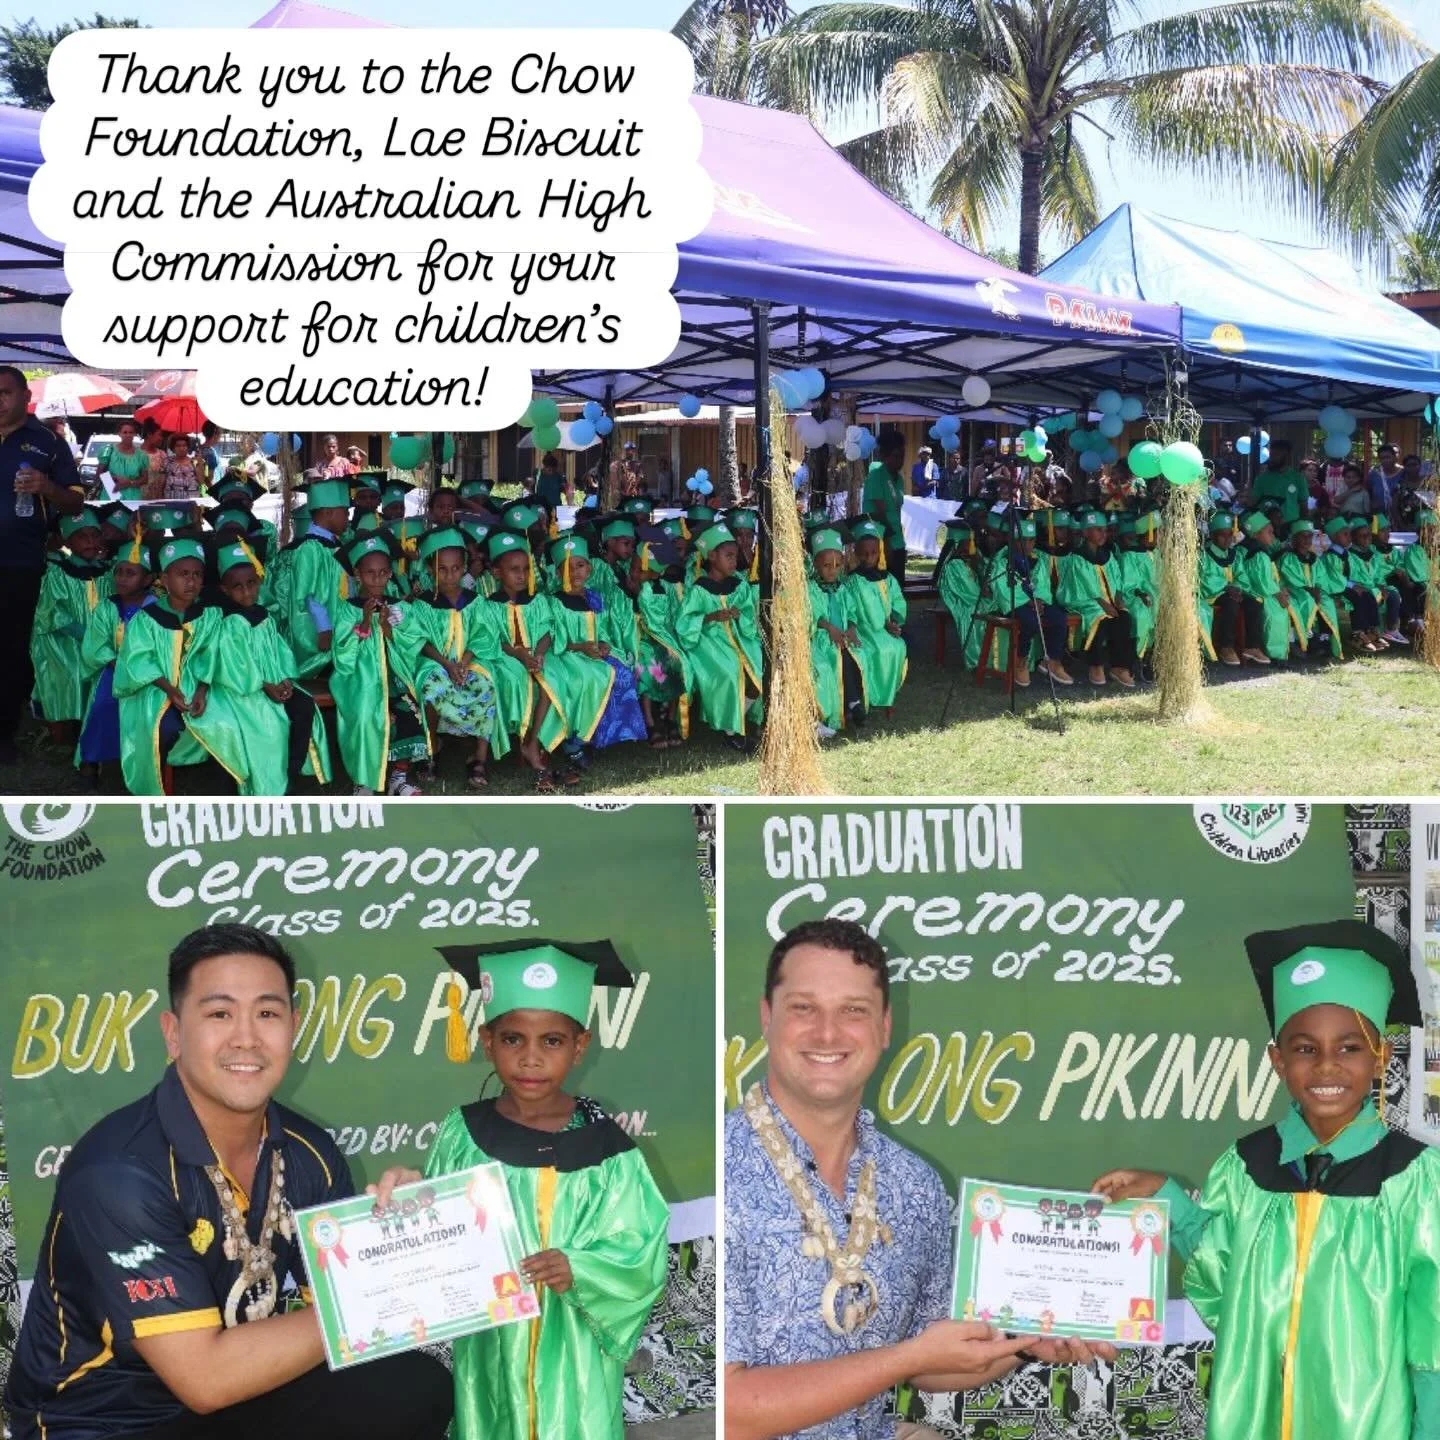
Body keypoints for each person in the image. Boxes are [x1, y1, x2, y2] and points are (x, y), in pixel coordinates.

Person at [4, 923, 454, 1440]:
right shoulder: (120, 1173)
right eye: (219, 1014)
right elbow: (206, 1380)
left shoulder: (313, 1154)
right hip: (105, 1421)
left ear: (294, 1026)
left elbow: (335, 1294)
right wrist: (374, 1298)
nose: (246, 1037)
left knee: (408, 1385)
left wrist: (396, 1236)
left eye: (267, 1013)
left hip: (230, 1404)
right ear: (173, 1034)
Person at [726, 919, 1112, 1440]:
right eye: (803, 1008)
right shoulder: (724, 1174)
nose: (826, 1032)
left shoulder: (915, 1185)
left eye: (853, 1011)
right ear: (766, 1016)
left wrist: (1021, 1337)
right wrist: (903, 1358)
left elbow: (933, 1360)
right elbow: (729, 1411)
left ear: (885, 1026)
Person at [1091, 919, 1440, 1440]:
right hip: (1251, 1418)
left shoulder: (1414, 1179)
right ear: (1278, 1060)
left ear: (1380, 1057)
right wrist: (1162, 1198)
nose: (1326, 1067)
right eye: (1304, 1049)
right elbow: (1219, 1279)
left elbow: (1432, 1337)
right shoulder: (1247, 1165)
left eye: (1349, 1047)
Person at [369, 940, 668, 1440]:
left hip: (573, 1342)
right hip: (493, 1341)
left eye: (551, 1041)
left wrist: (581, 1267)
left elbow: (641, 1248)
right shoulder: (462, 1133)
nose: (531, 1059)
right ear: (487, 1041)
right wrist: (410, 1198)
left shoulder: (607, 1148)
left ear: (579, 1046)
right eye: (513, 1039)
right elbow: (439, 1224)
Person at [0, 366, 84, 763]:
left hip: (18, 561)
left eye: (5, 393)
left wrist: (46, 488)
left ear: (24, 398)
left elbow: (76, 501)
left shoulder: (48, 443)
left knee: (11, 647)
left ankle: (4, 734)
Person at [204, 543, 331, 795]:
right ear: (224, 589)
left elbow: (280, 653)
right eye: (237, 587)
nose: (246, 591)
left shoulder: (263, 615)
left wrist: (284, 679)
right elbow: (234, 667)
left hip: (273, 683)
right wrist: (266, 686)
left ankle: (290, 772)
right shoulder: (228, 622)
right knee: (270, 722)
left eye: (251, 583)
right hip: (243, 690)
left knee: (304, 705)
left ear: (259, 582)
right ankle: (265, 781)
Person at [472, 529, 579, 792]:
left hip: (536, 655)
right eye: (514, 570)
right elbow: (494, 641)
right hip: (505, 658)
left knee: (549, 680)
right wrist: (519, 654)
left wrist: (539, 653)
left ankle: (534, 744)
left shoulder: (539, 600)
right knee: (517, 679)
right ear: (497, 573)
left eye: (526, 569)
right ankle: (504, 751)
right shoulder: (487, 605)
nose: (522, 575)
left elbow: (547, 633)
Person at [114, 538, 220, 796]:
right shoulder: (146, 620)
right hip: (155, 689)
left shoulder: (211, 615)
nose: (191, 582)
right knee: (163, 729)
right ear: (164, 578)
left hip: (201, 687)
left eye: (197, 575)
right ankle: (156, 786)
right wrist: (171, 690)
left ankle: (225, 787)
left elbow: (213, 656)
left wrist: (202, 690)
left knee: (227, 721)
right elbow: (139, 662)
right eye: (183, 574)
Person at [329, 536, 429, 797]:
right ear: (357, 575)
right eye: (370, 573)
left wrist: (386, 627)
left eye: (384, 572)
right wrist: (364, 622)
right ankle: (364, 781)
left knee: (409, 713)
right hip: (360, 681)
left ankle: (398, 777)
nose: (377, 579)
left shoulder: (398, 607)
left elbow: (413, 642)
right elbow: (343, 656)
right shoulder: (347, 609)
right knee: (365, 717)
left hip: (395, 679)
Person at [411, 527, 498, 790]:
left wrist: (465, 662)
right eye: (442, 569)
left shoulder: (475, 601)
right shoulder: (422, 604)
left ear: (464, 568)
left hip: (469, 660)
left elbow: (484, 636)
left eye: (456, 568)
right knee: (431, 686)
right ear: (430, 570)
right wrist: (447, 664)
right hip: (436, 662)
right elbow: (420, 641)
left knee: (486, 684)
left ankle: (479, 758)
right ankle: (431, 750)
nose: (449, 575)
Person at [546, 531, 648, 754]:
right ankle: (578, 740)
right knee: (591, 680)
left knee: (622, 672)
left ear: (590, 568)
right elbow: (556, 640)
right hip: (570, 655)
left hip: (595, 652)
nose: (575, 572)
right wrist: (582, 647)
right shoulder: (554, 601)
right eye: (568, 567)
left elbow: (602, 630)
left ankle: (609, 735)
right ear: (557, 571)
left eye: (580, 565)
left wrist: (604, 644)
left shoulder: (595, 598)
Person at [75, 533, 154, 787]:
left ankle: (138, 763)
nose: (121, 578)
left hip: (149, 676)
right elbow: (96, 645)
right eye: (119, 572)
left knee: (146, 716)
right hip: (113, 670)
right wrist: (116, 663)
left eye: (130, 573)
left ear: (148, 579)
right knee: (101, 707)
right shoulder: (107, 607)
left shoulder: (156, 608)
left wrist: (141, 670)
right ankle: (90, 761)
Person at [676, 522, 763, 749]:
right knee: (731, 672)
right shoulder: (699, 588)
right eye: (729, 556)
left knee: (760, 670)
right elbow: (685, 623)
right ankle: (732, 729)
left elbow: (749, 616)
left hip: (739, 638)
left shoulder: (739, 585)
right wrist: (711, 617)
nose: (734, 561)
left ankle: (735, 721)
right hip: (710, 643)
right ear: (712, 556)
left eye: (735, 556)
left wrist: (738, 614)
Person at [30, 509, 113, 746]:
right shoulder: (57, 572)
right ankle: (60, 736)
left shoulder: (107, 571)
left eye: (94, 535)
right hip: (65, 643)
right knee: (67, 678)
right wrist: (83, 634)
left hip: (98, 644)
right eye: (81, 536)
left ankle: (91, 730)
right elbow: (50, 612)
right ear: (67, 540)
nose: (90, 541)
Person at [979, 514, 1072, 688]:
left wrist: (1039, 600)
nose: (1029, 545)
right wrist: (1028, 601)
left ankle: (1052, 660)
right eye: (1024, 540)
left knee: (1059, 618)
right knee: (1029, 621)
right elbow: (1002, 588)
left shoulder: (1037, 559)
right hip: (1014, 603)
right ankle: (1021, 659)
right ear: (1013, 540)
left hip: (1037, 602)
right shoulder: (1002, 560)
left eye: (1032, 540)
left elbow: (1042, 583)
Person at [1057, 509, 1136, 687]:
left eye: (1105, 529)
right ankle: (1096, 665)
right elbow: (1077, 588)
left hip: (1107, 602)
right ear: (1085, 532)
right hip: (1084, 601)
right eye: (1097, 529)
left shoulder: (1107, 556)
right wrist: (1102, 603)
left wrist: (1117, 598)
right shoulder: (1076, 558)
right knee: (1098, 617)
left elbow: (1117, 581)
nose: (1103, 533)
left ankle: (1119, 667)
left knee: (1124, 617)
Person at [807, 527, 862, 735]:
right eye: (827, 565)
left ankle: (854, 701)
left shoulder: (842, 588)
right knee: (836, 656)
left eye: (838, 565)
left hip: (844, 634)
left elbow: (853, 612)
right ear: (815, 564)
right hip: (820, 637)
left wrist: (853, 628)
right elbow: (811, 617)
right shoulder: (811, 588)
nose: (832, 570)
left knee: (858, 653)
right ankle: (851, 703)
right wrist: (829, 628)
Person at [1233, 512, 1297, 665]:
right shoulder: (1257, 554)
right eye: (1269, 532)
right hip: (1256, 591)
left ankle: (1286, 648)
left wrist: (1281, 588)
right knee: (1275, 611)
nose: (1273, 536)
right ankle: (1275, 654)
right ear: (1255, 534)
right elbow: (1262, 581)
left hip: (1259, 589)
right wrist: (1278, 593)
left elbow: (1269, 577)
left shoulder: (1250, 549)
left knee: (1286, 606)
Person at [1276, 521, 1342, 661]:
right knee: (1306, 600)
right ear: (1294, 539)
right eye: (1302, 536)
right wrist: (1310, 590)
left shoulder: (1314, 558)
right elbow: (1291, 578)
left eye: (1309, 536)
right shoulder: (1288, 557)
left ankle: (1324, 640)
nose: (1307, 540)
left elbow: (1321, 577)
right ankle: (1301, 641)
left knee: (1326, 602)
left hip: (1312, 590)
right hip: (1293, 590)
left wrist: (1316, 589)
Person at [862, 428, 909, 580]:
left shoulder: (900, 479)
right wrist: (887, 544)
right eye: (896, 456)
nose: (900, 461)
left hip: (897, 540)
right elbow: (880, 514)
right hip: (880, 542)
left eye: (902, 456)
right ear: (884, 456)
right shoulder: (876, 476)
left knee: (898, 589)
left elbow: (896, 511)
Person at [1247, 439, 1306, 533]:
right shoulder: (1262, 478)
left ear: (1286, 456)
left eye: (1276, 455)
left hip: (1291, 525)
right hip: (1266, 526)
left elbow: (1304, 506)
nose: (1272, 458)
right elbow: (1253, 503)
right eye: (1271, 455)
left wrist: (1301, 527)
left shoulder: (1298, 478)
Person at [100, 419, 151, 502]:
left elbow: (145, 479)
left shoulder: (142, 455)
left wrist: (129, 483)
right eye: (125, 432)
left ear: (135, 434)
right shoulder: (108, 450)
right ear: (119, 434)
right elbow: (99, 474)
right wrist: (114, 478)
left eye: (131, 432)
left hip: (133, 497)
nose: (128, 435)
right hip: (111, 494)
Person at [1367, 443, 1403, 518]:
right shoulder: (1373, 474)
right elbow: (1368, 492)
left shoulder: (1404, 473)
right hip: (1379, 517)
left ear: (1394, 457)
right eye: (1382, 458)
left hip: (1401, 516)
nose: (1385, 460)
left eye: (1388, 457)